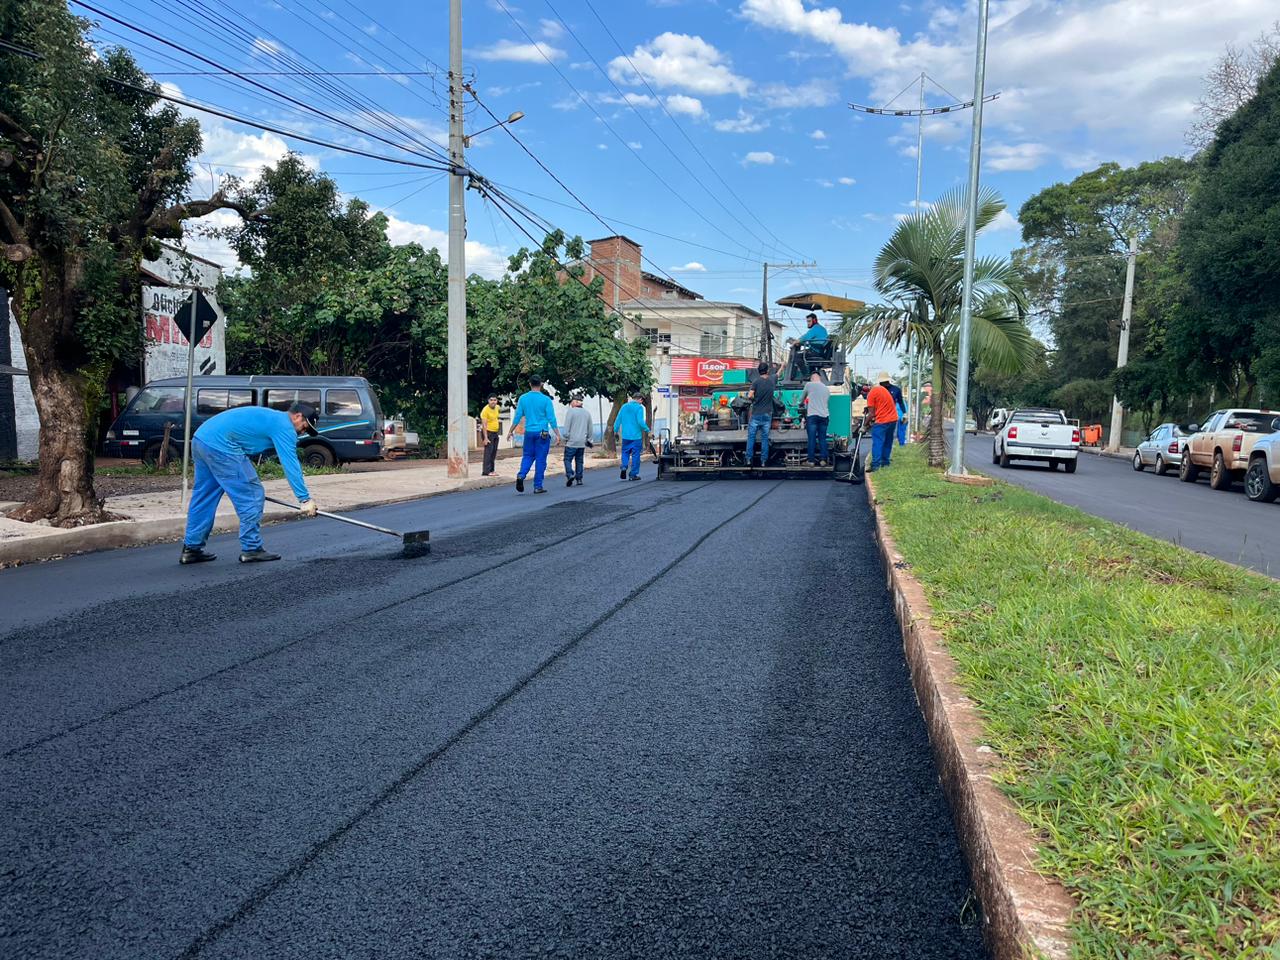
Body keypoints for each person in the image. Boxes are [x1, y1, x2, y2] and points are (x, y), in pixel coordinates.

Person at [179, 401, 319, 565]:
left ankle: (192, 549)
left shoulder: (273, 418)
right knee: (252, 495)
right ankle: (252, 549)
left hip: (202, 439)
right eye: (305, 426)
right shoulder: (285, 426)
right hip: (222, 445)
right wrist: (304, 498)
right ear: (297, 416)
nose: (304, 431)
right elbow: (290, 463)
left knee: (205, 496)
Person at [508, 375, 560, 494]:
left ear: (530, 384)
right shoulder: (546, 400)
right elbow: (551, 419)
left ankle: (521, 475)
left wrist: (511, 430)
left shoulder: (523, 398)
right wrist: (557, 434)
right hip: (542, 433)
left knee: (527, 456)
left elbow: (517, 417)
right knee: (540, 459)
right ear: (541, 384)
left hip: (529, 432)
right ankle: (538, 486)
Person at [866, 371, 900, 471]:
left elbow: (872, 414)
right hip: (893, 420)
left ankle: (875, 465)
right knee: (887, 442)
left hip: (882, 421)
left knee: (878, 442)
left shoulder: (872, 393)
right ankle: (885, 463)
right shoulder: (885, 391)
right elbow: (881, 405)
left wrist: (865, 425)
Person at [744, 360, 776, 467]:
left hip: (756, 414)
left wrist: (754, 397)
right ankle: (763, 461)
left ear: (758, 371)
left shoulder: (756, 382)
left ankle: (748, 459)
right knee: (765, 438)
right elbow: (778, 374)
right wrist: (783, 367)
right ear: (767, 370)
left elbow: (749, 395)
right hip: (767, 414)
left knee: (751, 437)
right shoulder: (772, 380)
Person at [613, 389, 649, 481]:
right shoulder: (639, 408)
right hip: (636, 437)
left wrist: (615, 430)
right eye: (642, 400)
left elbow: (618, 419)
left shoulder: (624, 406)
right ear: (639, 399)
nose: (642, 403)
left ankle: (624, 466)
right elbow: (640, 422)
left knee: (625, 453)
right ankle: (633, 474)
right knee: (636, 455)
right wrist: (647, 430)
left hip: (625, 436)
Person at [801, 371, 831, 465]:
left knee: (812, 438)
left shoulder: (809, 385)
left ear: (812, 378)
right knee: (822, 438)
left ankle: (811, 461)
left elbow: (802, 399)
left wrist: (801, 403)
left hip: (813, 416)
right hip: (824, 416)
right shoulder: (826, 389)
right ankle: (823, 460)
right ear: (820, 378)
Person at [561, 396, 592, 487]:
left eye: (571, 402)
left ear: (575, 402)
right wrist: (589, 439)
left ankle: (570, 474)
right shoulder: (587, 413)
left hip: (571, 441)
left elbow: (567, 427)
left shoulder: (570, 412)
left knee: (567, 459)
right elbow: (590, 428)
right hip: (582, 442)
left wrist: (566, 436)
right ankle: (579, 479)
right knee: (579, 461)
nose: (571, 404)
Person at [480, 395, 502, 476]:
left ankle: (492, 470)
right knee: (488, 452)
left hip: (495, 432)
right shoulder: (485, 410)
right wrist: (485, 438)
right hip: (487, 433)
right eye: (491, 400)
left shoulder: (497, 407)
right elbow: (484, 425)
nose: (493, 402)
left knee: (494, 451)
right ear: (488, 401)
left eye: (495, 400)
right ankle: (486, 471)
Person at [887, 381, 908, 446]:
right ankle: (900, 444)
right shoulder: (898, 401)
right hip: (897, 418)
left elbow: (905, 410)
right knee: (898, 432)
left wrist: (904, 417)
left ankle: (901, 444)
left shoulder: (900, 402)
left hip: (899, 418)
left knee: (900, 432)